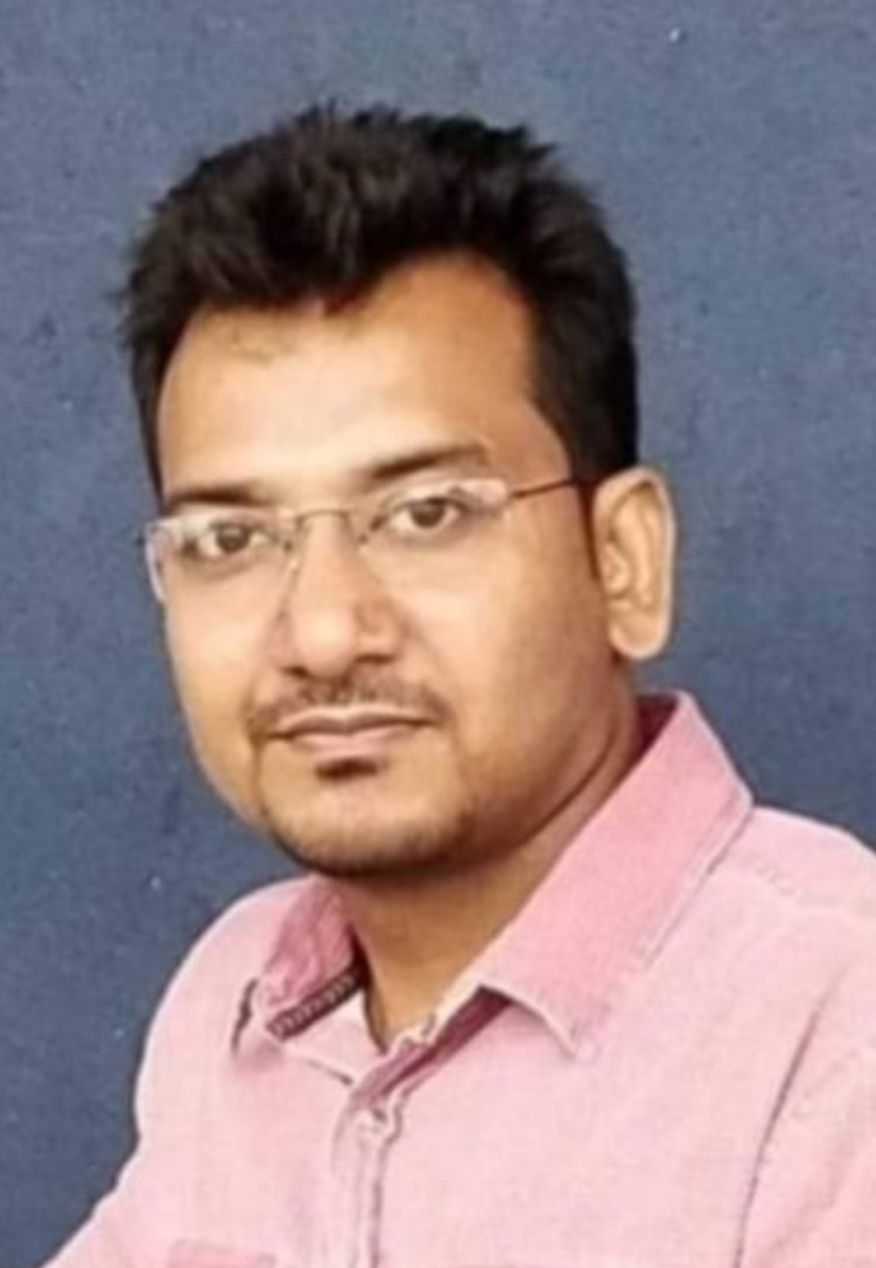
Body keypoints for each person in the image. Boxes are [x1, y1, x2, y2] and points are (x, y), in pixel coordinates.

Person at [46, 105, 876, 1268]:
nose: (323, 632)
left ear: (623, 561)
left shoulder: (835, 1022)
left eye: (425, 514)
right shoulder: (235, 1000)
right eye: (231, 538)